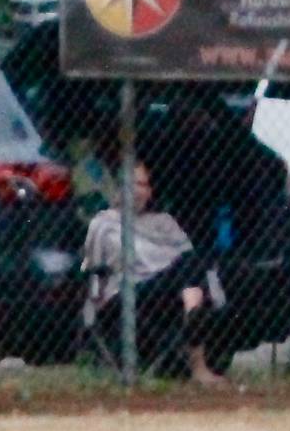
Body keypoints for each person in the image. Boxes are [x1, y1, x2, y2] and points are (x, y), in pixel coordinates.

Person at [81, 161, 225, 385]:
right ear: (119, 188)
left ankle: (192, 314)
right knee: (188, 269)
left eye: (146, 185)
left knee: (193, 263)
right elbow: (91, 270)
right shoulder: (103, 224)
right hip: (127, 294)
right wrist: (93, 306)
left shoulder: (164, 222)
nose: (142, 191)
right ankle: (197, 352)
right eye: (136, 184)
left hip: (169, 291)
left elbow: (189, 258)